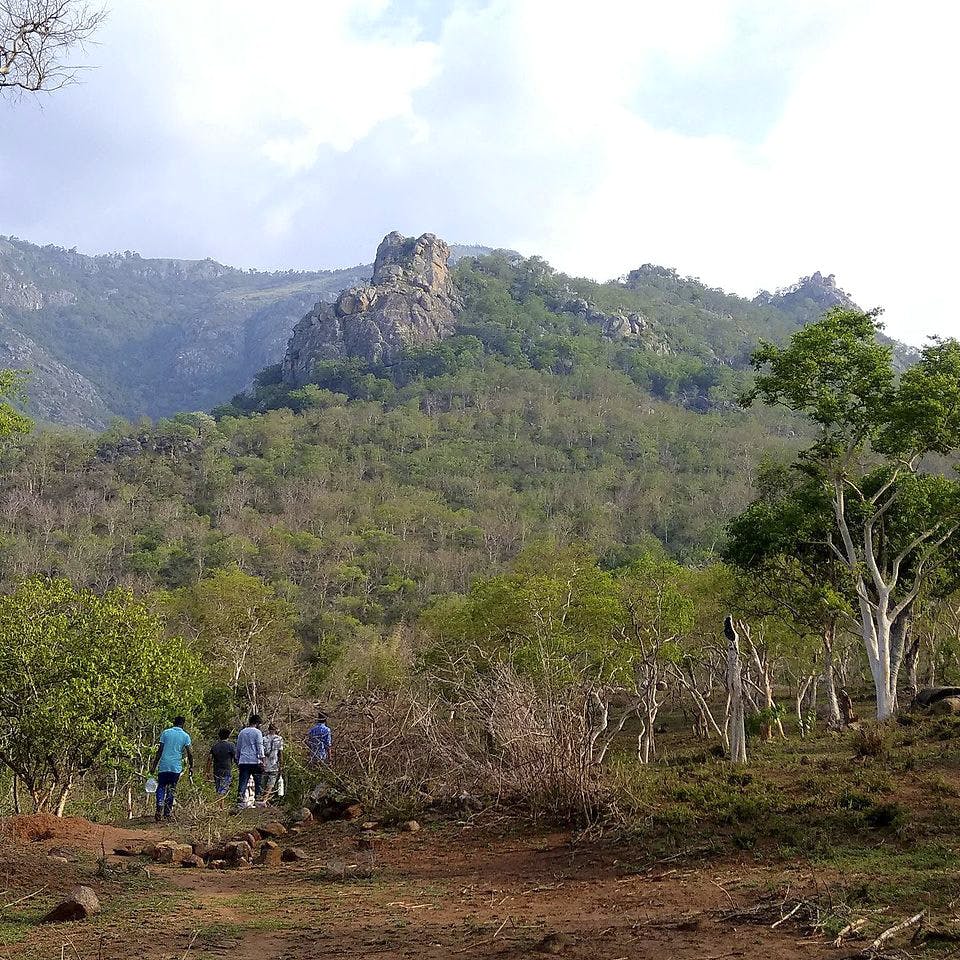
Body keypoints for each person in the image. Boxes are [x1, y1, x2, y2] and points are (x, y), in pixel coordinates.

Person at [150, 716, 193, 822]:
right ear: (183, 724)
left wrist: (154, 766)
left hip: (164, 765)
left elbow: (159, 751)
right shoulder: (185, 736)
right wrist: (191, 766)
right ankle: (167, 812)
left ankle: (159, 804)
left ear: (173, 722)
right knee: (171, 788)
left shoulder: (166, 733)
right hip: (175, 767)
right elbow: (190, 753)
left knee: (161, 786)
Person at [235, 714, 265, 809]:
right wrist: (262, 759)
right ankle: (258, 799)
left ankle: (240, 800)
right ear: (257, 723)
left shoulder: (242, 732)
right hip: (255, 760)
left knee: (243, 781)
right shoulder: (257, 733)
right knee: (258, 781)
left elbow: (238, 747)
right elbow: (259, 746)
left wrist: (238, 758)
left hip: (243, 760)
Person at [207, 728, 235, 804]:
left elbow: (209, 759)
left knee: (218, 787)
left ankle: (219, 805)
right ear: (228, 736)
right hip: (226, 769)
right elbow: (235, 758)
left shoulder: (215, 746)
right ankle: (220, 806)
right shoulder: (231, 746)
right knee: (223, 789)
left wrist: (207, 771)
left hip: (216, 770)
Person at [260, 723, 284, 803]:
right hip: (274, 764)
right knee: (271, 783)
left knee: (264, 782)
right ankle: (264, 799)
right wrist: (281, 764)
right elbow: (280, 753)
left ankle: (262, 798)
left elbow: (261, 752)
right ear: (276, 730)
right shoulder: (279, 739)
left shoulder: (263, 739)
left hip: (265, 764)